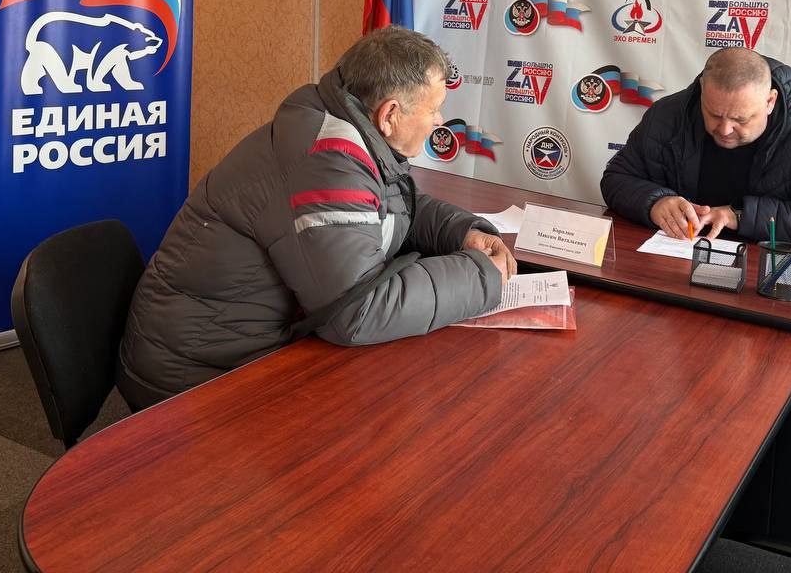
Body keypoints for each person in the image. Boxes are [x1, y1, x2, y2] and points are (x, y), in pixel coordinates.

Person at [118, 26, 516, 407]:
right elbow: (357, 312)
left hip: (231, 347)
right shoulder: (328, 159)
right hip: (191, 378)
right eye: (435, 110)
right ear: (390, 115)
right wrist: (482, 275)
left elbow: (394, 203)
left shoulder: (344, 121)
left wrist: (461, 233)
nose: (440, 122)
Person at [600, 48, 791, 255]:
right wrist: (655, 202)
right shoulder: (670, 114)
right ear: (703, 90)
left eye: (740, 119)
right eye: (714, 114)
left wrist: (738, 215)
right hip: (678, 260)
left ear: (770, 101)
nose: (725, 129)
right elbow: (616, 178)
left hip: (765, 274)